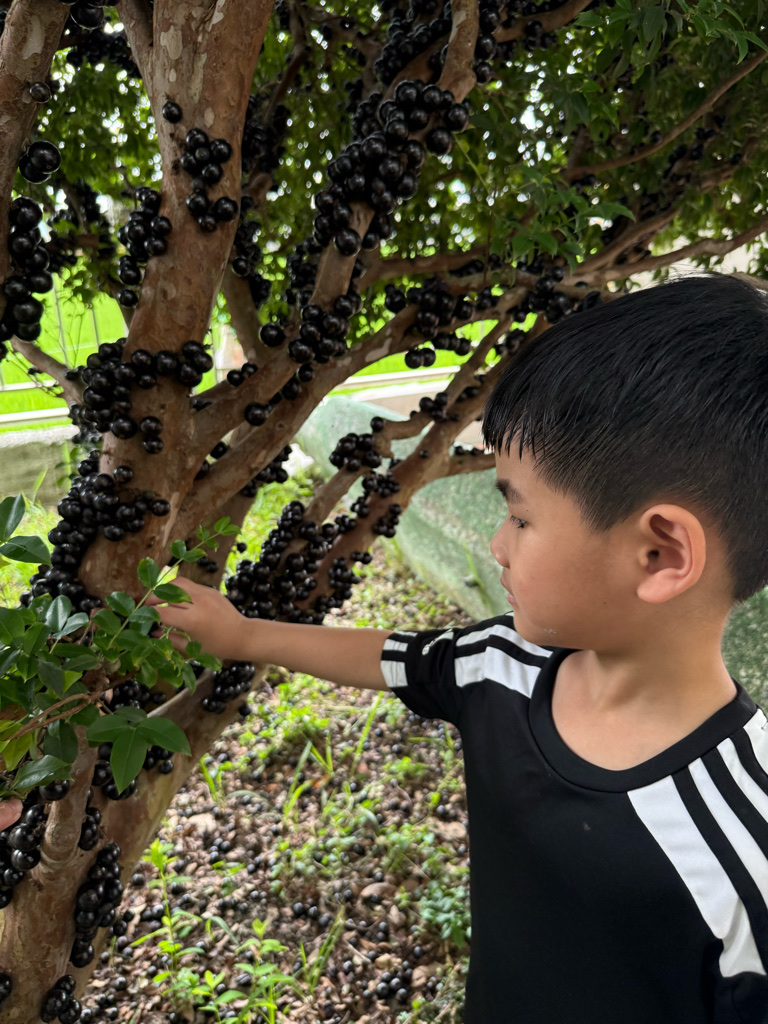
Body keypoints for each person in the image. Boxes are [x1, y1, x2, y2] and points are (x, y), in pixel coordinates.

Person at [148, 271, 768, 1023]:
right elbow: (392, 658)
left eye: (521, 518)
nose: (498, 546)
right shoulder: (503, 665)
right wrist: (242, 634)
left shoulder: (747, 853)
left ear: (660, 555)